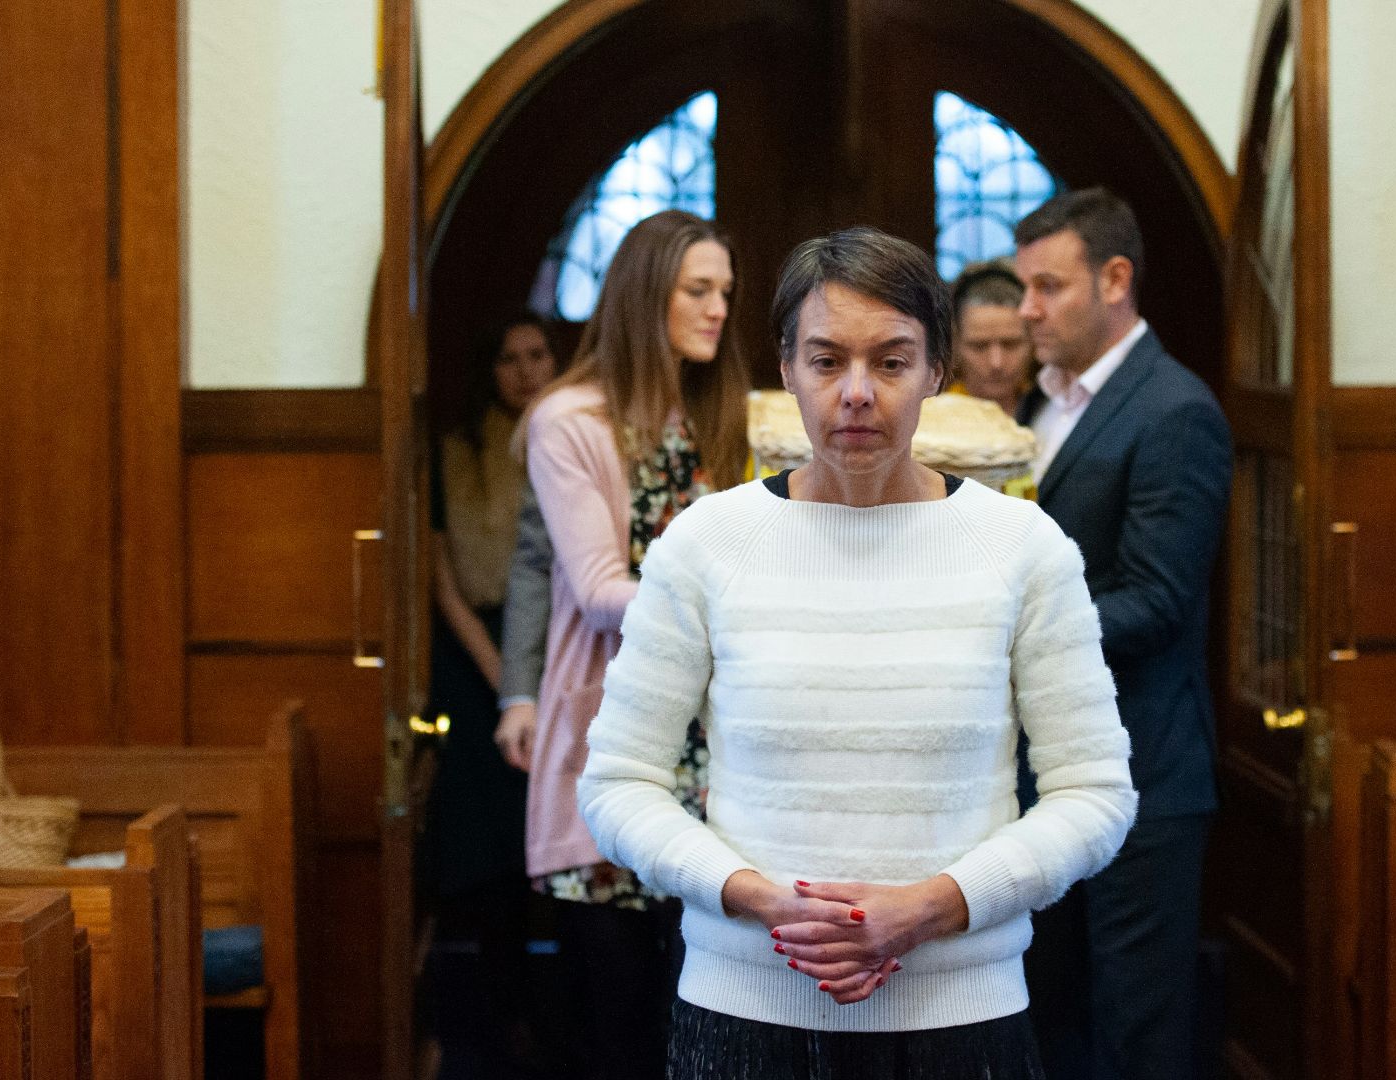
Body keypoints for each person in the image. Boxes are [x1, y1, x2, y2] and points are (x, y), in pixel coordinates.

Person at [577, 226, 1137, 1080]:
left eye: (891, 361)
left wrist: (938, 906)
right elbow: (617, 783)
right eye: (827, 360)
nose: (857, 394)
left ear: (936, 371)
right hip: (744, 1004)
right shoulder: (707, 544)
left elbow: (1095, 794)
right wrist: (758, 900)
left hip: (963, 1009)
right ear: (787, 368)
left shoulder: (1022, 547)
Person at [498, 209, 749, 1080]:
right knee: (619, 1023)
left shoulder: (718, 414)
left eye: (725, 292)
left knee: (708, 1020)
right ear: (647, 295)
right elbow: (601, 590)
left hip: (715, 752)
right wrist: (752, 608)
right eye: (698, 290)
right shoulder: (569, 419)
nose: (719, 309)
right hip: (616, 728)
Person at [1010, 188, 1234, 1080]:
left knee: (1135, 1035)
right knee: (1051, 1017)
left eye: (1047, 287)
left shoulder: (1174, 410)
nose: (1027, 307)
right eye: (1027, 286)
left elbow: (1156, 602)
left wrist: (1006, 631)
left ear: (1114, 280)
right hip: (1056, 768)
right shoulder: (1046, 403)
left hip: (1145, 772)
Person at [419, 312, 562, 1073]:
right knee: (484, 851)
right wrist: (504, 677)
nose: (526, 371)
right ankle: (481, 1030)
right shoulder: (455, 451)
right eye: (509, 358)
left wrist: (529, 675)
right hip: (473, 653)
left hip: (548, 654)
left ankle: (543, 1022)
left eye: (538, 355)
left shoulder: (560, 439)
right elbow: (441, 578)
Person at [947, 258, 1036, 416]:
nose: (996, 363)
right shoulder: (930, 423)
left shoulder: (1055, 410)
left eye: (1011, 344)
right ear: (955, 345)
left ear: (1033, 341)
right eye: (979, 346)